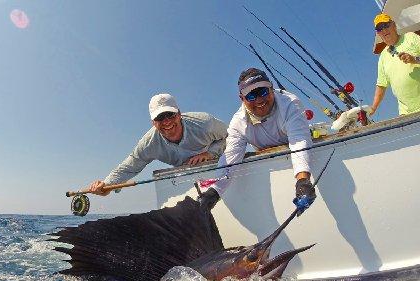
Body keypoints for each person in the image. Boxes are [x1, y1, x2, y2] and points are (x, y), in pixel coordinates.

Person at [199, 68, 316, 215]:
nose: (259, 100)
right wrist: (213, 193)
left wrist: (303, 181)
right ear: (242, 99)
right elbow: (230, 158)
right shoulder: (238, 123)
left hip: (297, 162)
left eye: (263, 91)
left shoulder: (290, 103)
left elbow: (299, 141)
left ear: (272, 88)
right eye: (251, 95)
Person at [88, 93, 228, 195]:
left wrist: (210, 153)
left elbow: (232, 136)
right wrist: (106, 185)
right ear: (153, 122)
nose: (166, 122)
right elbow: (128, 167)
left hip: (221, 168)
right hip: (187, 179)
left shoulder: (205, 123)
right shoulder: (149, 143)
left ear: (179, 114)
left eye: (170, 115)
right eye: (160, 117)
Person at [370, 13, 420, 116]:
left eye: (386, 25)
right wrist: (373, 108)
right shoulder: (383, 56)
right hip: (406, 114)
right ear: (378, 34)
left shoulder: (411, 38)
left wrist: (414, 59)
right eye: (380, 29)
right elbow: (381, 85)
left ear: (394, 25)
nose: (384, 30)